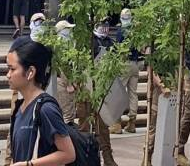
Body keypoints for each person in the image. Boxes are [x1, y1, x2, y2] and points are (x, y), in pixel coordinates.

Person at [6, 40, 76, 166]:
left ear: (30, 72)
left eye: (12, 69)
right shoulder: (19, 107)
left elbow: (68, 154)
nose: (8, 75)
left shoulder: (46, 109)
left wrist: (29, 164)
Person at [80, 20, 116, 166]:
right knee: (84, 123)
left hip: (102, 87)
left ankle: (107, 157)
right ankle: (83, 156)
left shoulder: (110, 42)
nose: (105, 27)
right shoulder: (87, 40)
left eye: (107, 24)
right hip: (87, 86)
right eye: (102, 24)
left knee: (103, 125)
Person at [110, 9, 140, 135]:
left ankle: (117, 123)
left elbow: (118, 48)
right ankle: (132, 122)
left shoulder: (121, 31)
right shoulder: (135, 31)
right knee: (133, 93)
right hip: (135, 64)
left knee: (118, 92)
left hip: (124, 62)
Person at [53, 21, 77, 124]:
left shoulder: (67, 44)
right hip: (63, 80)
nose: (69, 31)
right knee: (67, 112)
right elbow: (63, 66)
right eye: (67, 29)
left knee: (69, 110)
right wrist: (69, 84)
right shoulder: (59, 45)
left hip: (68, 79)